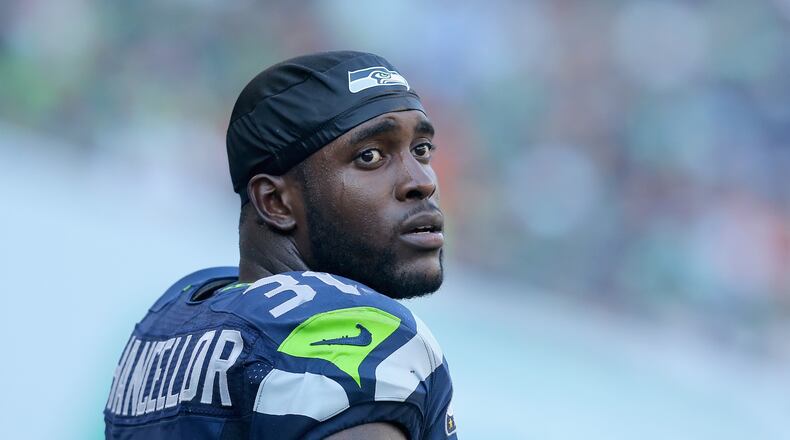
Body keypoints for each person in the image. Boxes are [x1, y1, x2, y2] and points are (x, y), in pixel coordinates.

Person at [103, 51, 457, 439]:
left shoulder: (175, 316)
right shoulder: (352, 331)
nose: (422, 181)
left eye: (421, 149)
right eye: (370, 156)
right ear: (275, 202)